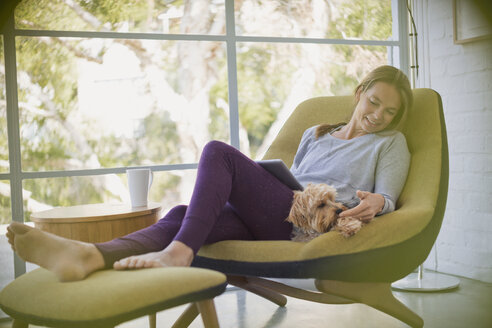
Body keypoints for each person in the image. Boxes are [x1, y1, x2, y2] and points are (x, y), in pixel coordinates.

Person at [7, 65, 412, 282]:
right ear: (359, 93)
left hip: (311, 222)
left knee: (219, 152)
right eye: (373, 102)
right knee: (184, 213)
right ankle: (90, 255)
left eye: (389, 111)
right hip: (283, 207)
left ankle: (178, 254)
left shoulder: (389, 143)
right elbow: (294, 177)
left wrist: (380, 201)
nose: (378, 115)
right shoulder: (317, 133)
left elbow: (388, 198)